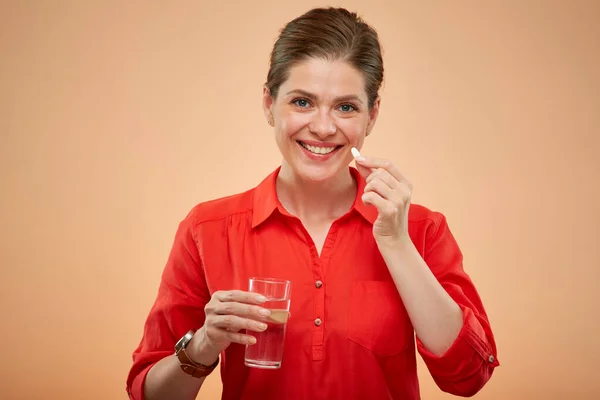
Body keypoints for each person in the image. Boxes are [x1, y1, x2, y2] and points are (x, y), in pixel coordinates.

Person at [126, 7, 499, 400]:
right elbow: (149, 393)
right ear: (269, 104)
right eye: (302, 102)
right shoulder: (207, 228)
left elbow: (469, 377)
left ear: (372, 116)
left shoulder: (421, 229)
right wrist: (202, 345)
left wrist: (396, 244)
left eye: (346, 107)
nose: (323, 127)